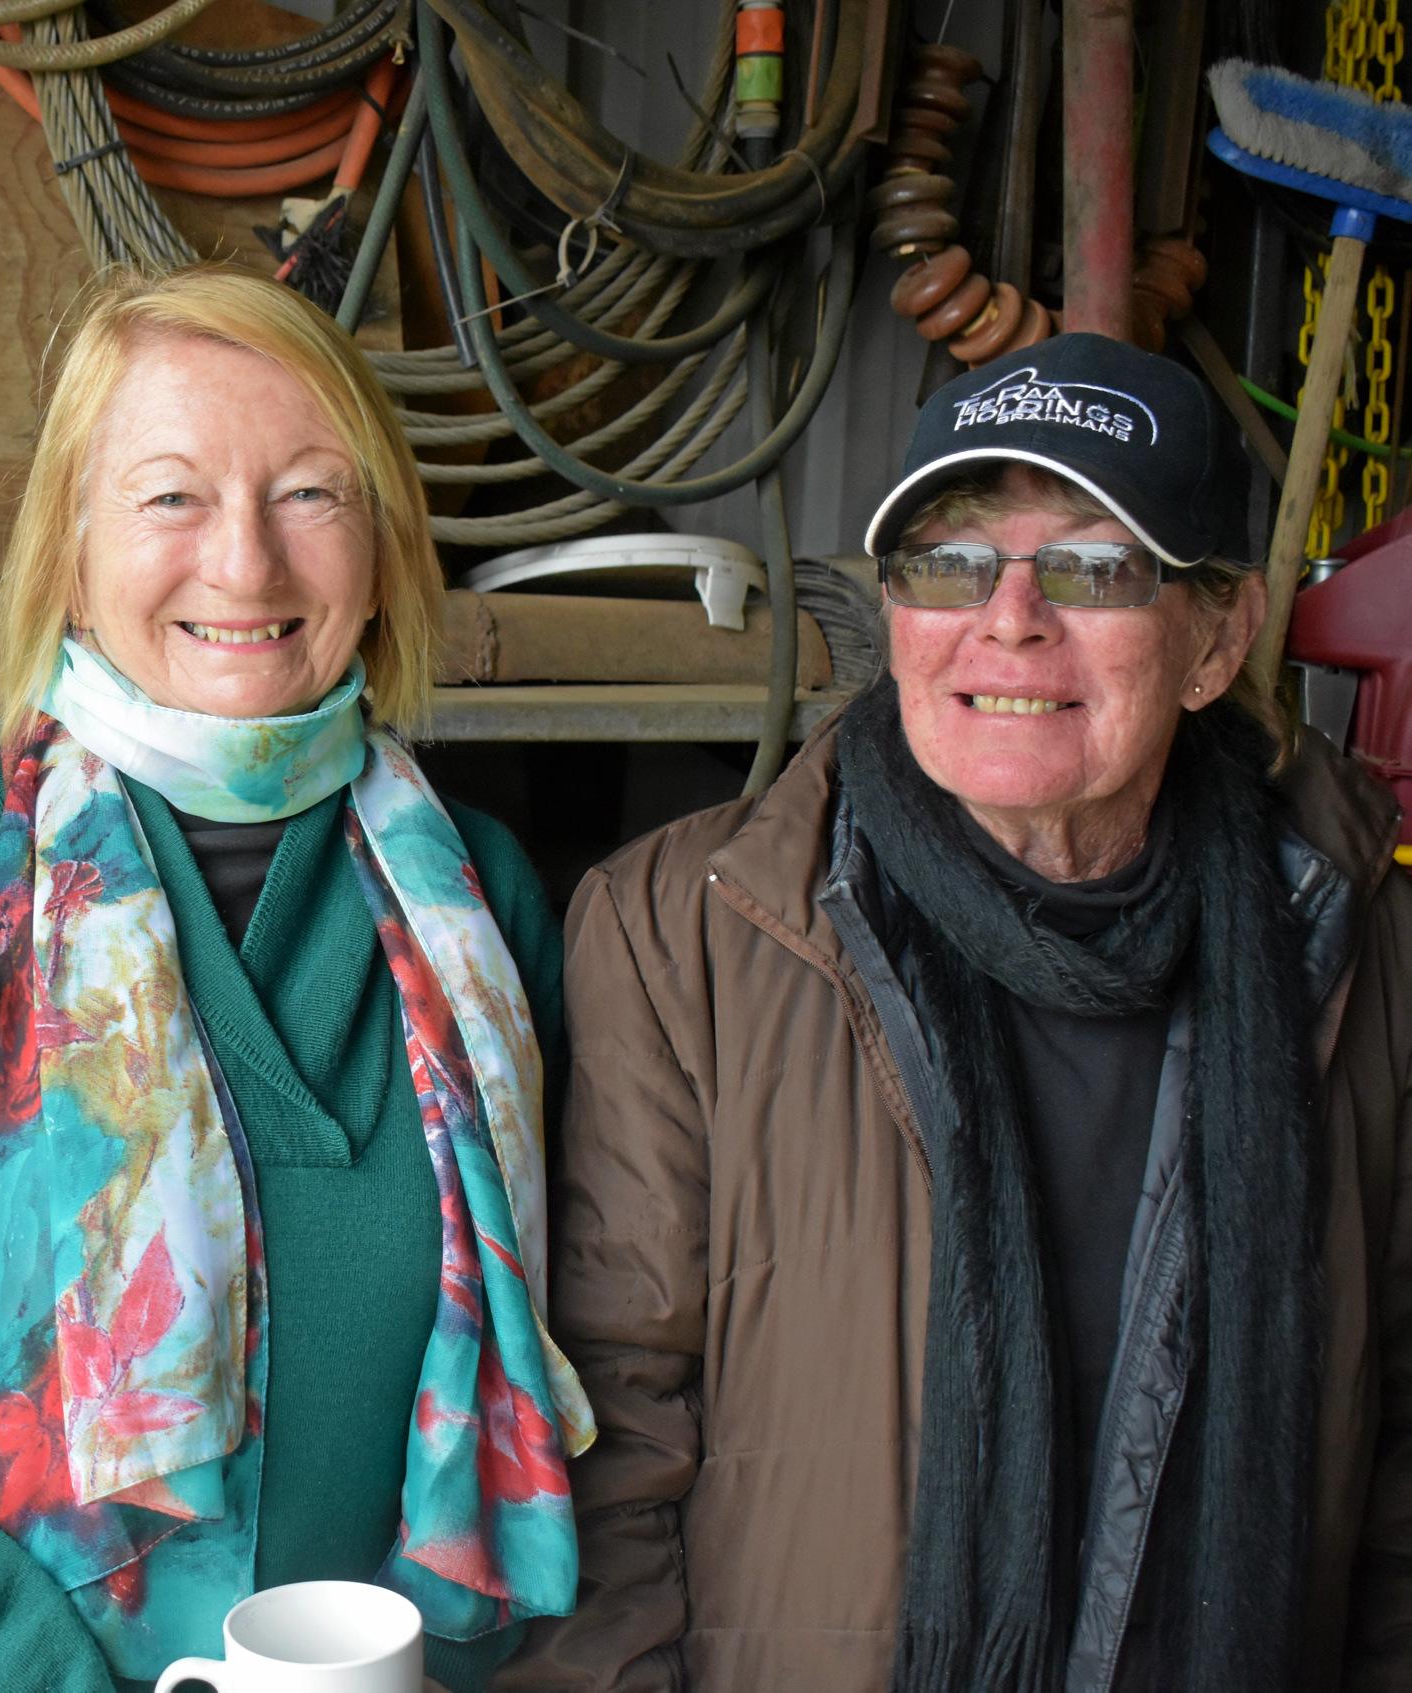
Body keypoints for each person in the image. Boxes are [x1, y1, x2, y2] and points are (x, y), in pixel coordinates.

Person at [0, 263, 593, 1692]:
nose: (245, 564)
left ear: (381, 540)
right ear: (67, 546)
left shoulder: (478, 897)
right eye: (170, 496)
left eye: (308, 492)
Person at [512, 333, 1412, 1693]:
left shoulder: (1351, 940)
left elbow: (1396, 1444)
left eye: (1094, 567)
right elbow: (606, 1439)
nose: (1008, 617)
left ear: (1215, 637)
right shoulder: (680, 933)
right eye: (948, 560)